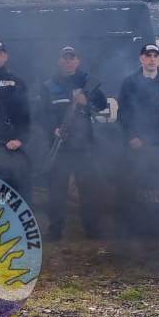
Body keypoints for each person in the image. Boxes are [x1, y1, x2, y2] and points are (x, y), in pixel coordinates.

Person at [41, 46, 109, 240]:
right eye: (65, 58)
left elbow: (102, 104)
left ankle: (92, 230)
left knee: (89, 189)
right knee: (56, 191)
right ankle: (55, 230)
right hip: (60, 145)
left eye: (72, 58)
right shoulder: (49, 85)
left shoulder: (87, 82)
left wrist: (87, 100)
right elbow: (42, 114)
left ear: (78, 61)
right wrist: (52, 129)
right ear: (59, 61)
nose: (69, 62)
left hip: (84, 146)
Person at [117, 43, 159, 152]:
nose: (152, 59)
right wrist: (131, 137)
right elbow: (123, 114)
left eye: (155, 56)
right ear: (141, 58)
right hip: (136, 145)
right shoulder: (129, 83)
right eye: (148, 56)